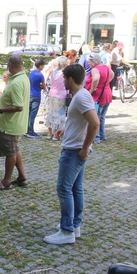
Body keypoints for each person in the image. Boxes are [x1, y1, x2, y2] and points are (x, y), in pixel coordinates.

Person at [43, 64, 98, 245]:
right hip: (75, 147)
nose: (63, 82)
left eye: (64, 78)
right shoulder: (80, 95)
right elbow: (80, 120)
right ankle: (74, 225)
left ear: (70, 79)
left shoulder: (81, 97)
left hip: (74, 150)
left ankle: (67, 231)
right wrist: (65, 129)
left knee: (64, 188)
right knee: (75, 188)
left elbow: (94, 123)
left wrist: (85, 148)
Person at [0, 55, 29, 191]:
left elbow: (18, 106)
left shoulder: (17, 82)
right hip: (15, 123)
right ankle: (22, 178)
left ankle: (6, 181)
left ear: (11, 65)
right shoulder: (23, 77)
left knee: (10, 153)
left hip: (10, 124)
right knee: (15, 149)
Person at [85, 53, 114, 144]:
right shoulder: (106, 67)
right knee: (102, 117)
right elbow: (112, 74)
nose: (89, 64)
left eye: (89, 62)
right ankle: (102, 135)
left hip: (98, 96)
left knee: (95, 117)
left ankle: (96, 137)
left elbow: (96, 79)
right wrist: (106, 83)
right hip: (107, 93)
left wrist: (92, 89)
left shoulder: (95, 69)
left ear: (94, 61)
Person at [45, 57, 68, 140]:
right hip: (61, 95)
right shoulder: (64, 73)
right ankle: (56, 134)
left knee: (51, 113)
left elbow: (45, 77)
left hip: (52, 93)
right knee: (60, 114)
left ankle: (49, 133)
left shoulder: (52, 70)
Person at [26, 58, 46, 138]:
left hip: (29, 94)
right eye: (43, 65)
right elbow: (44, 87)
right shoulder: (40, 75)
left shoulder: (31, 73)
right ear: (40, 66)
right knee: (33, 114)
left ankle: (26, 129)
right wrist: (40, 86)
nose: (44, 67)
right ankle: (30, 131)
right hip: (36, 95)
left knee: (28, 113)